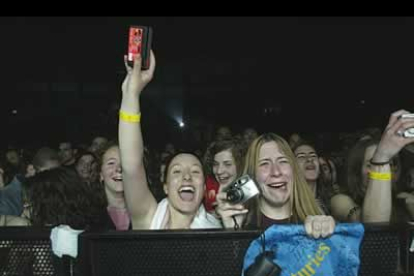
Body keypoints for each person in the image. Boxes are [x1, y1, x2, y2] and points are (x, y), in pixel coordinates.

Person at [119, 51, 220, 229]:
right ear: (165, 187)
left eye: (196, 172)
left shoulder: (217, 230)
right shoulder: (149, 218)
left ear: (204, 189)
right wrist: (131, 94)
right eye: (176, 172)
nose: (187, 177)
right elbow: (131, 166)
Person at [216, 133, 335, 238]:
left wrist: (325, 233)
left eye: (283, 161)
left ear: (293, 170)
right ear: (252, 176)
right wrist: (234, 232)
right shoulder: (243, 224)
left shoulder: (316, 217)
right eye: (264, 164)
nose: (276, 172)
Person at [330, 110, 414, 223]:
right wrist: (381, 157)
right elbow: (373, 225)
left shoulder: (405, 200)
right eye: (372, 164)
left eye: (390, 164)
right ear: (357, 170)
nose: (384, 169)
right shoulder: (341, 201)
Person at [293, 141, 334, 214]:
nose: (309, 159)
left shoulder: (333, 201)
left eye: (313, 156)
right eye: (301, 157)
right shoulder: (286, 206)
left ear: (319, 170)